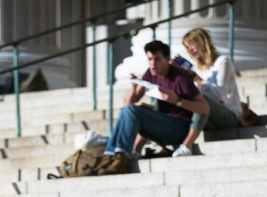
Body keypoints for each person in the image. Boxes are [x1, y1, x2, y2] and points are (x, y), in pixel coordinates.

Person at [97, 40, 210, 175]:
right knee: (126, 111)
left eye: (157, 59)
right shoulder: (150, 73)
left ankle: (122, 157)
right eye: (150, 59)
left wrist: (178, 101)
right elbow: (128, 105)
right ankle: (111, 155)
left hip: (178, 128)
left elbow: (205, 108)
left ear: (167, 59)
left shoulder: (181, 77)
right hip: (161, 126)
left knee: (133, 111)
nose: (152, 63)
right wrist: (133, 88)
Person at [174, 27, 242, 157]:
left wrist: (197, 79)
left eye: (191, 46)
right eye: (187, 48)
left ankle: (187, 145)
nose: (190, 51)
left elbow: (219, 95)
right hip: (207, 116)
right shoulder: (195, 67)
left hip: (228, 114)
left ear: (202, 43)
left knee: (201, 100)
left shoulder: (222, 62)